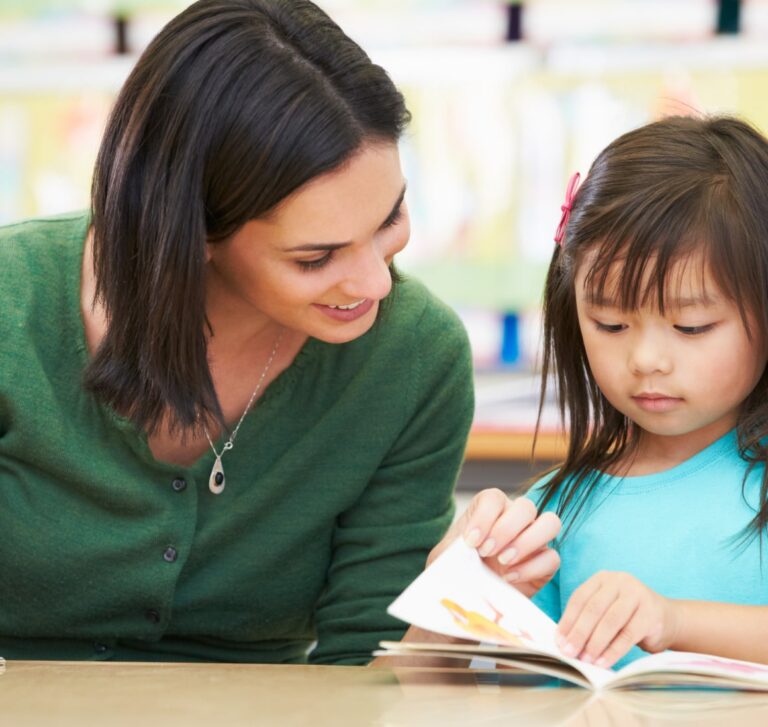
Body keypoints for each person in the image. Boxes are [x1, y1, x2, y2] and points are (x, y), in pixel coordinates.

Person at [0, 0, 559, 664]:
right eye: (315, 258)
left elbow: (369, 667)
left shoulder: (414, 354)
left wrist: (446, 616)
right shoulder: (16, 303)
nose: (375, 283)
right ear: (190, 233)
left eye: (390, 218)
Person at [530, 115, 768, 670]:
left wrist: (674, 621)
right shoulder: (550, 512)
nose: (646, 361)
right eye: (610, 324)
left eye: (692, 327)